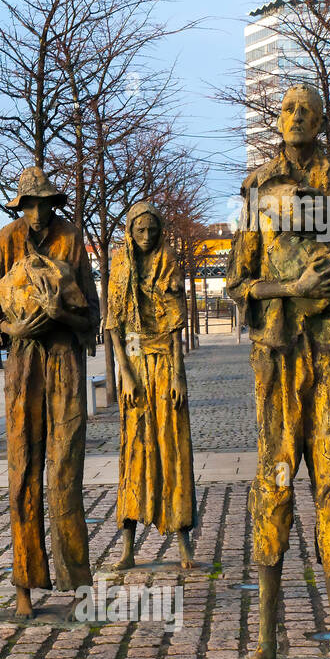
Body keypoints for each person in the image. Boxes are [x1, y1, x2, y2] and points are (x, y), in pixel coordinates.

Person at [226, 84, 330, 659]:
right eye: (287, 108)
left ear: (320, 120)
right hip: (277, 359)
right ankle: (266, 640)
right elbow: (239, 284)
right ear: (278, 119)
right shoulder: (258, 188)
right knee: (275, 481)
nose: (296, 117)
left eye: (306, 109)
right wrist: (293, 289)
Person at [0, 166, 100, 617]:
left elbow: (91, 315)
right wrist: (13, 326)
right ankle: (24, 584)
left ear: (52, 204)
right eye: (29, 205)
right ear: (21, 206)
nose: (37, 213)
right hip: (23, 363)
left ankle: (77, 586)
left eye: (43, 204)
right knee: (22, 471)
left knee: (65, 471)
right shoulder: (5, 240)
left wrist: (60, 312)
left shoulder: (72, 239)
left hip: (64, 362)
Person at [104, 202, 196, 571]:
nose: (146, 237)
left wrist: (177, 375)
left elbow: (176, 326)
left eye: (152, 231)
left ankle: (183, 539)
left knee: (173, 447)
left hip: (164, 364)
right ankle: (127, 543)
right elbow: (114, 323)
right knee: (135, 449)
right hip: (135, 363)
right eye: (140, 230)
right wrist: (124, 372)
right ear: (130, 230)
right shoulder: (120, 264)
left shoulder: (168, 261)